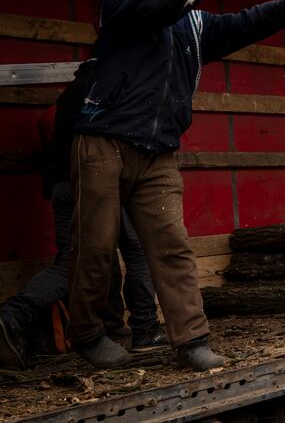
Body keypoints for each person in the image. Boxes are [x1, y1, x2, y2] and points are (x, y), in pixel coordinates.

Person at [67, 0, 285, 371]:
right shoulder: (122, 7)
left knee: (173, 245)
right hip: (104, 141)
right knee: (95, 246)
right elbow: (164, 2)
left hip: (158, 152)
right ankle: (89, 333)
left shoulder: (195, 26)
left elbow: (244, 23)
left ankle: (191, 340)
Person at [0, 60, 166, 370]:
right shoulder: (112, 83)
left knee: (93, 255)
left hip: (63, 184)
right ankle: (144, 328)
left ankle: (114, 324)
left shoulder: (73, 92)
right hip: (95, 181)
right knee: (125, 251)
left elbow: (45, 122)